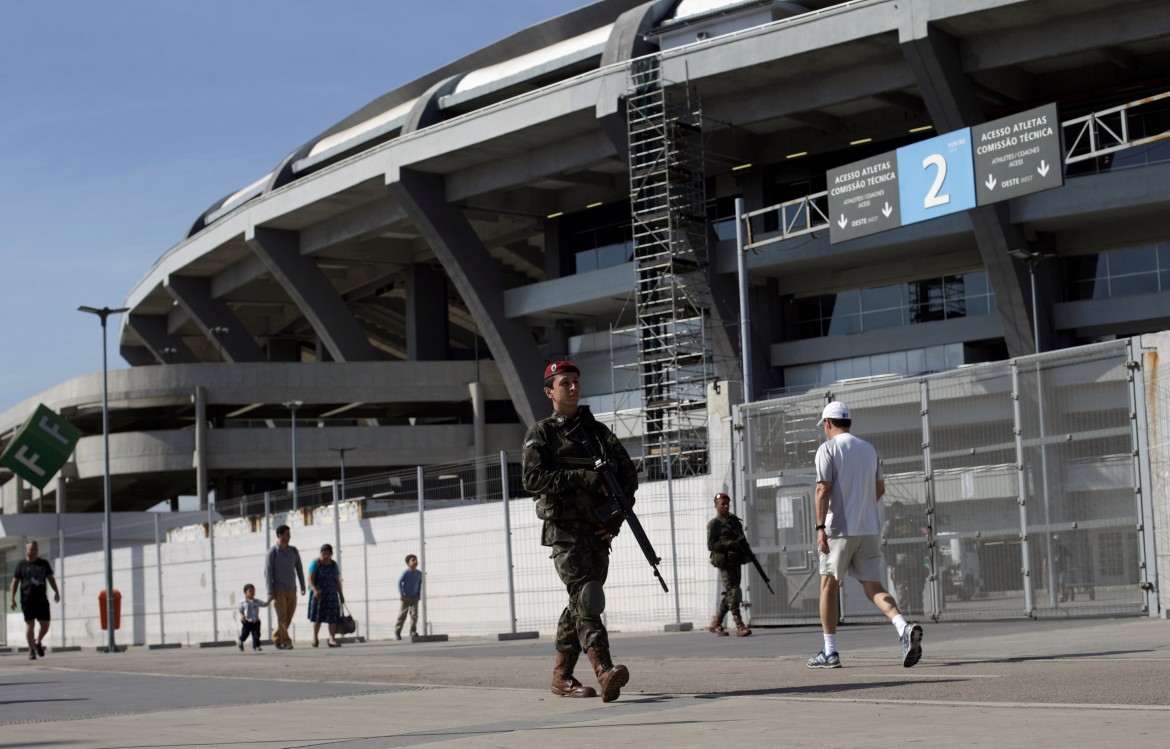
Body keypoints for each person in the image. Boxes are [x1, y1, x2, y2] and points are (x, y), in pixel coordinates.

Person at [522, 360, 637, 703]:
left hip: (597, 531)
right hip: (565, 532)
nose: (572, 388)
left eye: (575, 382)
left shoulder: (599, 433)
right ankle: (604, 670)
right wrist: (578, 477)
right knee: (588, 598)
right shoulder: (541, 433)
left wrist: (614, 521)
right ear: (549, 392)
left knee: (579, 604)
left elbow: (628, 477)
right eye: (564, 383)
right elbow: (532, 479)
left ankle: (560, 676)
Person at [807, 402, 924, 669]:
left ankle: (830, 651)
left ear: (827, 423)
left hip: (838, 530)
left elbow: (822, 489)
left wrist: (820, 528)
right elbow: (879, 489)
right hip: (868, 529)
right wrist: (862, 507)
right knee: (874, 587)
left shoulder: (828, 449)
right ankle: (902, 627)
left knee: (828, 587)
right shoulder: (869, 449)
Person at [706, 492, 752, 637]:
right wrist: (731, 543)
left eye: (727, 504)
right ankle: (739, 625)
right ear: (716, 505)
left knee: (732, 592)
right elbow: (711, 545)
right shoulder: (714, 524)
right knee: (735, 590)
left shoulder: (734, 522)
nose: (726, 506)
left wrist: (747, 554)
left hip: (736, 560)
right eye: (722, 504)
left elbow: (742, 540)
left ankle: (716, 622)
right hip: (724, 562)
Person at [9, 540, 60, 661]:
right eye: (31, 549)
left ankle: (37, 642)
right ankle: (31, 650)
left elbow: (51, 579)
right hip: (27, 600)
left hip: (42, 600)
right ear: (26, 550)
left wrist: (57, 592)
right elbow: (15, 582)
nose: (34, 552)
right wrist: (12, 598)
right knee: (30, 624)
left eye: (36, 549)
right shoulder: (21, 565)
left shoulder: (44, 564)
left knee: (45, 625)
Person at [881, 501, 928, 614]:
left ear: (893, 510)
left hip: (898, 559)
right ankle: (917, 611)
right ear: (903, 509)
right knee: (914, 585)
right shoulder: (911, 522)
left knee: (900, 586)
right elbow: (921, 539)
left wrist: (889, 558)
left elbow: (883, 542)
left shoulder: (890, 524)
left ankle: (903, 613)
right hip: (913, 557)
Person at [265, 524, 305, 650]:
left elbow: (299, 568)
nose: (289, 536)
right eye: (287, 534)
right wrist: (270, 591)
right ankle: (286, 641)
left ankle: (277, 637)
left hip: (292, 588)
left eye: (289, 534)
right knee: (282, 616)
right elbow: (267, 572)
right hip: (278, 589)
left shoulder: (293, 551)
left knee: (288, 616)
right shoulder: (272, 552)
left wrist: (302, 584)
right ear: (280, 535)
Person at [307, 544, 345, 647]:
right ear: (320, 553)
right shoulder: (315, 563)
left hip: (332, 595)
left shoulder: (333, 565)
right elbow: (310, 578)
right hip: (319, 595)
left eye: (328, 554)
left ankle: (332, 639)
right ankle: (315, 638)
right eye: (324, 554)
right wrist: (314, 590)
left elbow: (337, 580)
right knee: (317, 618)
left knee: (332, 618)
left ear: (331, 554)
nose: (326, 556)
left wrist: (341, 595)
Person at [394, 554, 421, 640]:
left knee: (414, 615)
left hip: (414, 598)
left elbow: (419, 584)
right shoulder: (406, 573)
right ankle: (397, 631)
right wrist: (402, 594)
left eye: (416, 560)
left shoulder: (419, 573)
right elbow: (399, 583)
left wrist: (418, 595)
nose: (415, 561)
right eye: (413, 560)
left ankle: (413, 630)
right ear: (408, 563)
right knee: (402, 615)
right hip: (406, 598)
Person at [237, 583, 270, 651]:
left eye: (253, 591)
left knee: (256, 634)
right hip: (246, 621)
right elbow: (240, 610)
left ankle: (256, 646)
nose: (252, 593)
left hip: (255, 621)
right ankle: (241, 641)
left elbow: (265, 604)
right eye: (250, 591)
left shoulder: (256, 601)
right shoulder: (243, 602)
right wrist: (242, 616)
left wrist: (270, 599)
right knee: (245, 633)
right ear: (245, 593)